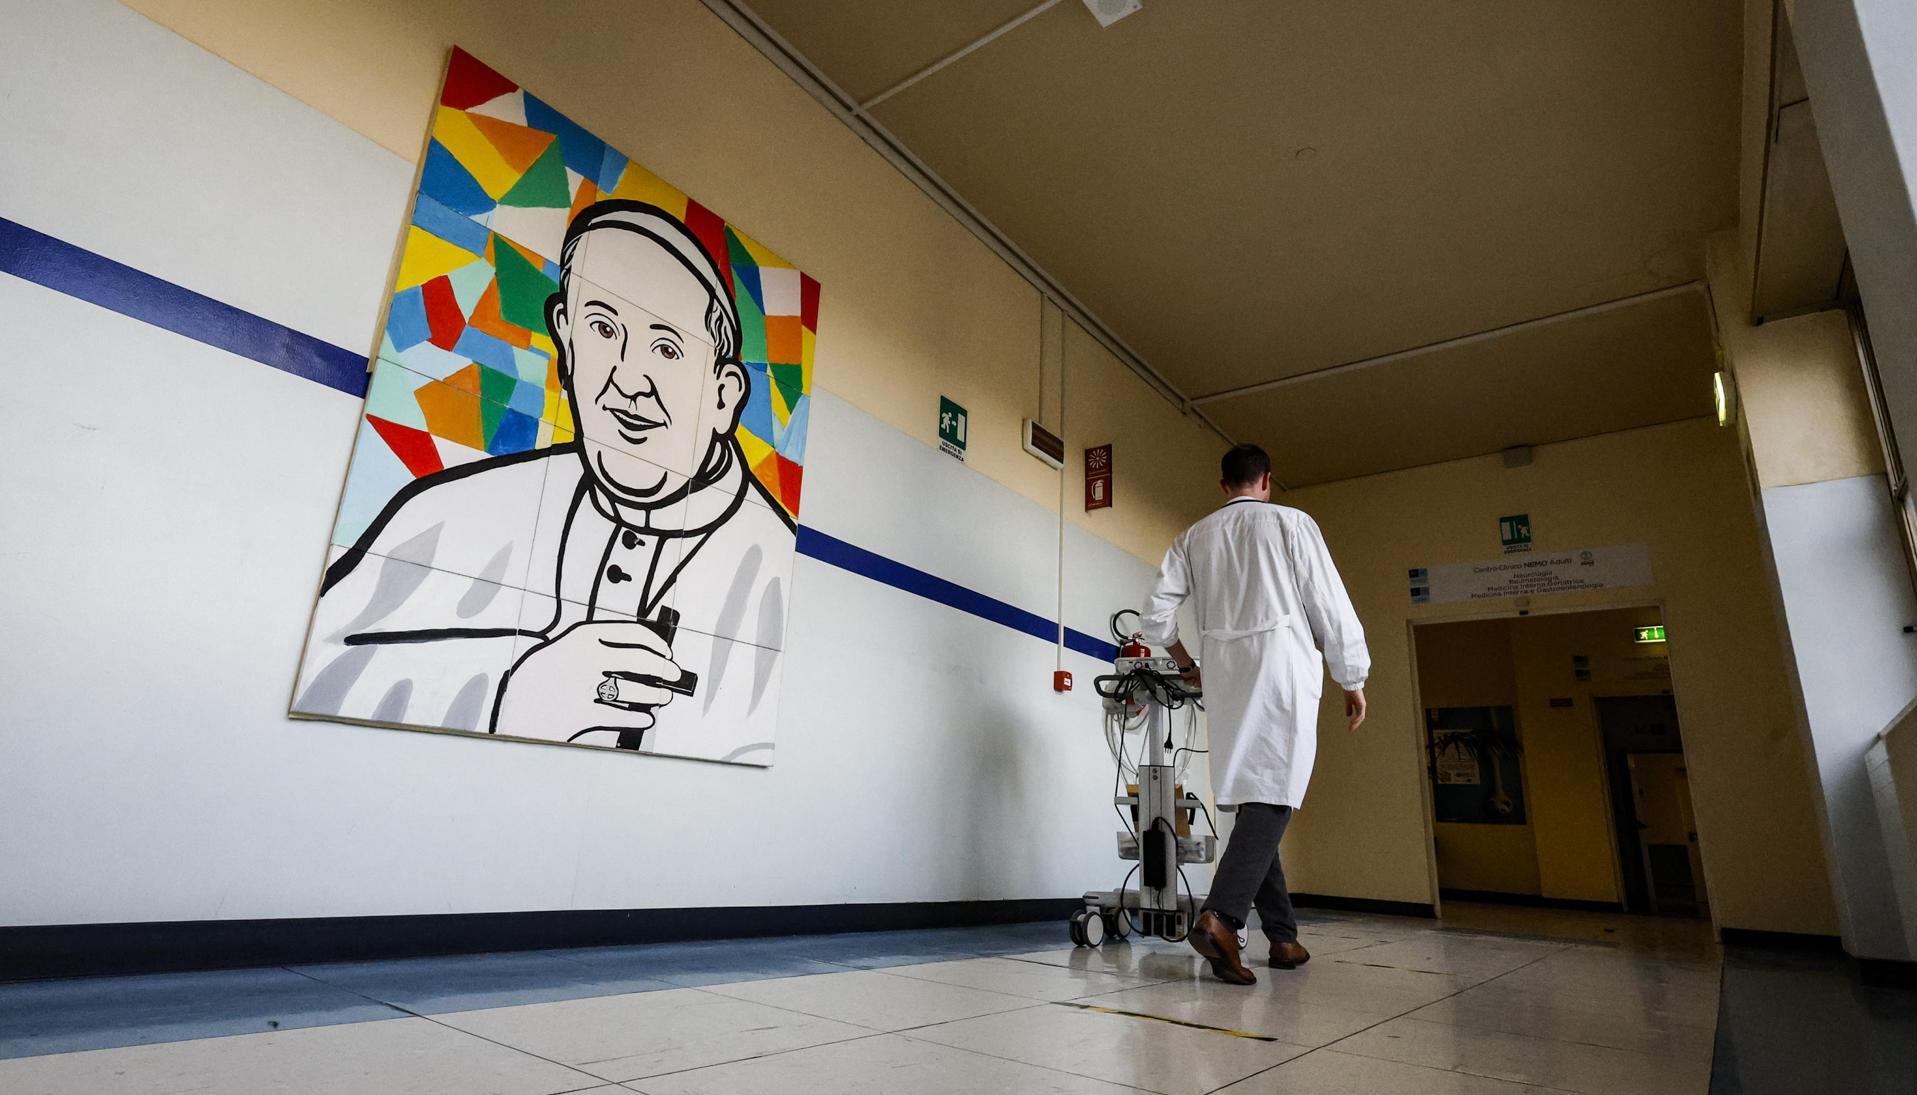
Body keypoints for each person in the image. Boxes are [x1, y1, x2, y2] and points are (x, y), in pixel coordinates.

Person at [293, 200, 793, 764]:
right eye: (603, 329)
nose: (629, 380)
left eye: (667, 348)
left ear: (724, 394)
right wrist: (519, 694)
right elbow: (317, 665)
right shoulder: (447, 510)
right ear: (565, 337)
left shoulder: (774, 567)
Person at [1137, 443, 1369, 985]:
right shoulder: (1292, 522)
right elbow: (1328, 602)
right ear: (1266, 480)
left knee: (1252, 798)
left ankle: (1284, 939)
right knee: (1277, 792)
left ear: (1224, 486)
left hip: (1224, 670)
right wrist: (1351, 676)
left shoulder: (1193, 537)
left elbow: (1155, 616)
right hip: (1280, 663)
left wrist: (1186, 662)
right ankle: (1221, 917)